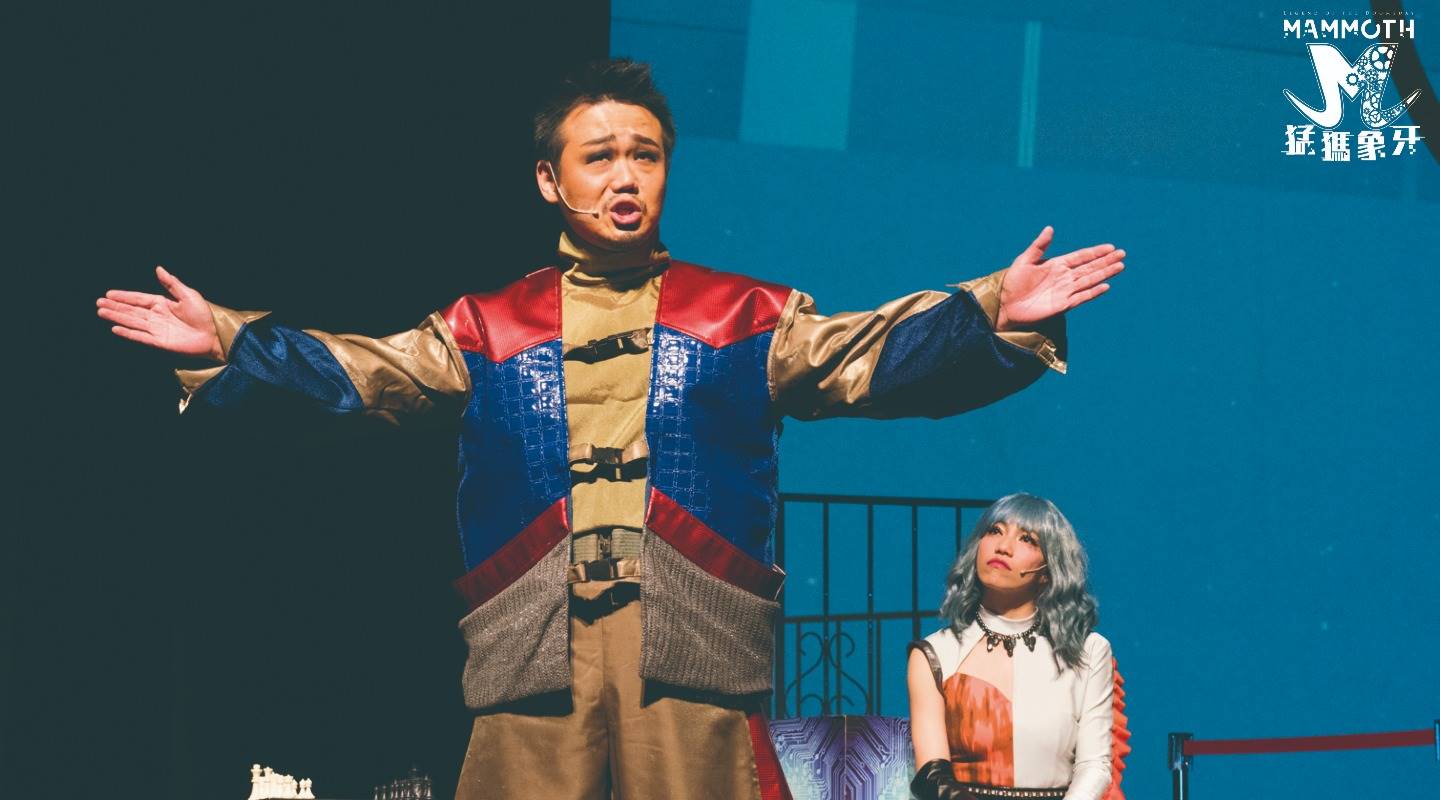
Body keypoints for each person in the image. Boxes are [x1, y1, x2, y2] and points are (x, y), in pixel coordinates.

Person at [96, 59, 1126, 800]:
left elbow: (871, 354)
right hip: (531, 637)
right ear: (551, 180)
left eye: (645, 155)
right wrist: (227, 340)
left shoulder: (743, 313)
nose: (625, 177)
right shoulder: (489, 324)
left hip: (693, 635)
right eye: (598, 157)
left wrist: (990, 308)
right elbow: (364, 373)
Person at [907, 493, 1129, 800]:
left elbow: (1095, 767)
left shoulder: (1089, 651)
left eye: (1027, 539)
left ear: (1049, 570)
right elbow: (931, 778)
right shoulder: (934, 653)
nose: (1003, 546)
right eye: (995, 530)